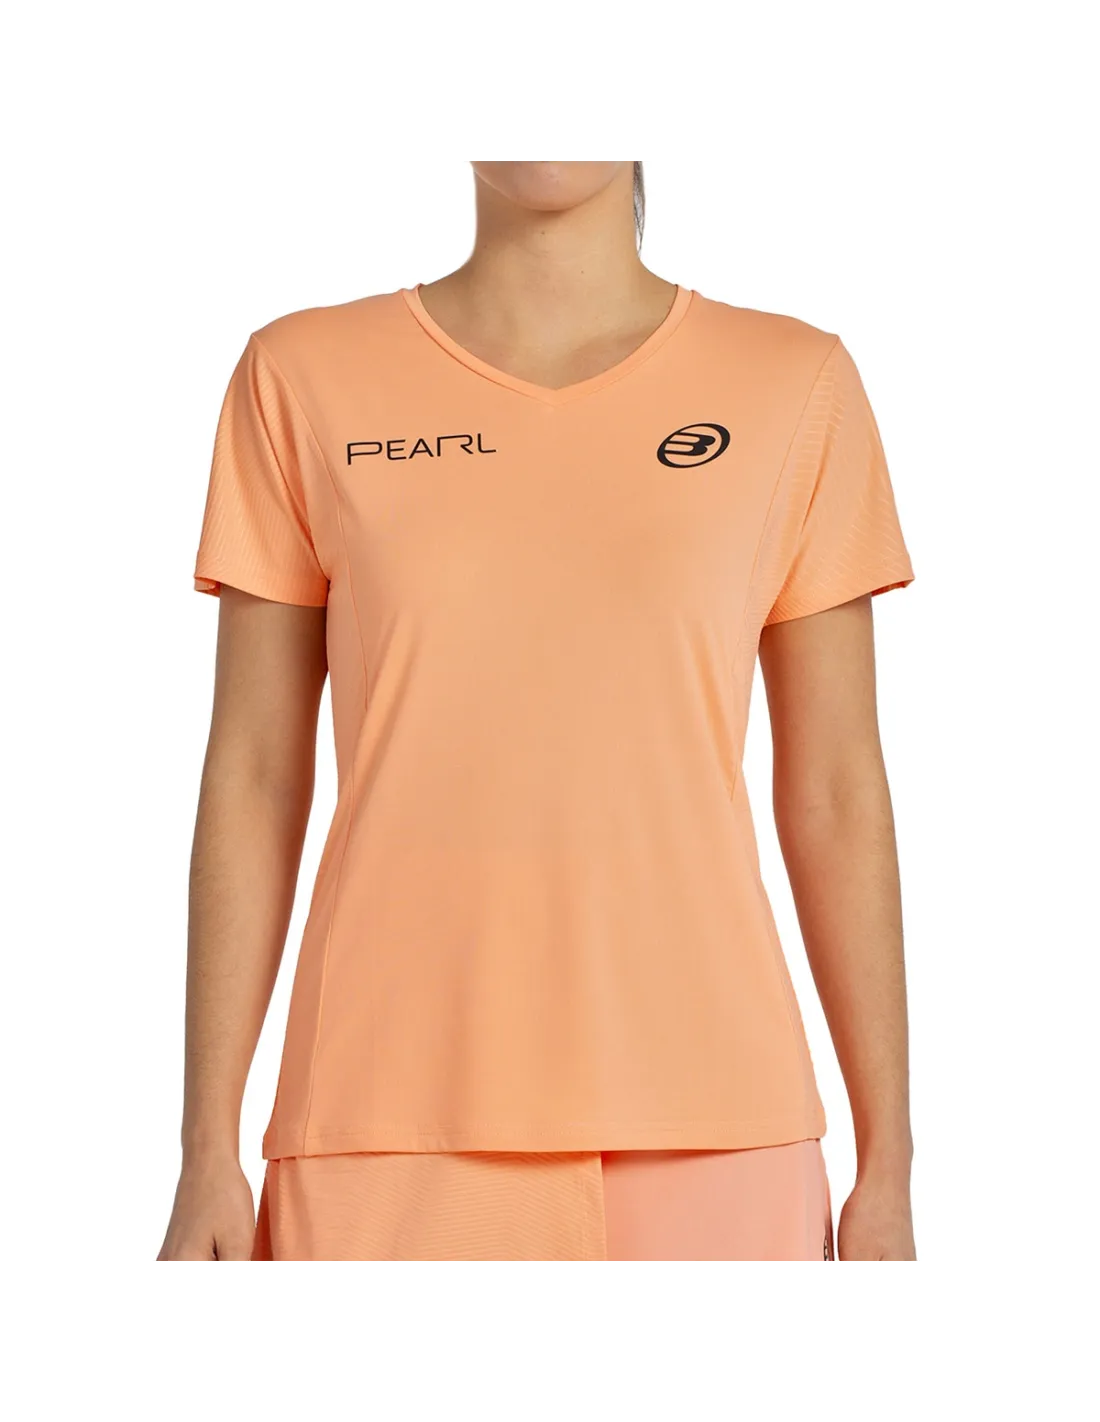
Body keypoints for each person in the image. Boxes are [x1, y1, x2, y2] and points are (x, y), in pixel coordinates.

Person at [156, 159, 918, 1264]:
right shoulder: (301, 375)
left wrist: (887, 1164)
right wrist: (204, 1151)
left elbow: (839, 788)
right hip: (382, 1124)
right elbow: (255, 773)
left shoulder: (793, 383)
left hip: (715, 1126)